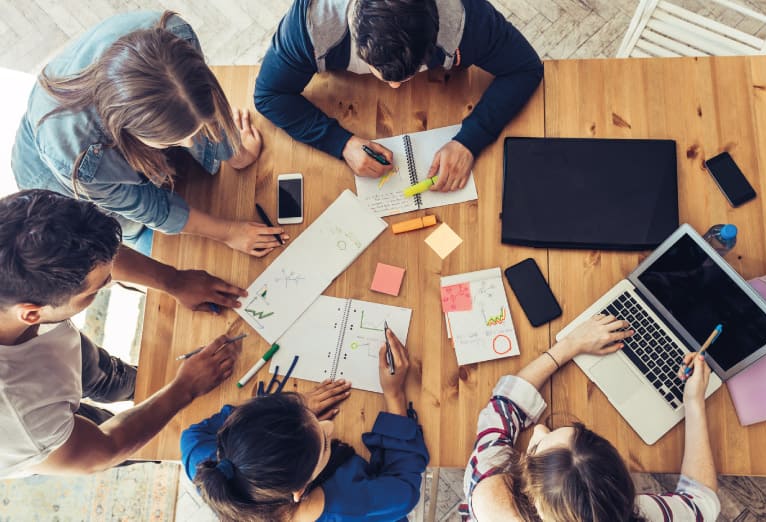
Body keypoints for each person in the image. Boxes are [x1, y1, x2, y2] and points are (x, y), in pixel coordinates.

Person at [0, 189, 245, 477]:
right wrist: (185, 387)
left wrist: (174, 280)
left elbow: (99, 258)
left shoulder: (15, 240)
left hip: (44, 356)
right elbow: (103, 450)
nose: (108, 282)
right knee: (141, 439)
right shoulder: (20, 415)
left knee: (108, 375)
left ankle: (136, 385)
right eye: (97, 289)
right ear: (32, 313)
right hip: (39, 429)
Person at [12, 11, 288, 258]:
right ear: (127, 131)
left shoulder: (175, 34)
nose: (191, 143)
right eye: (172, 141)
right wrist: (229, 232)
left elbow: (197, 104)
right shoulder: (83, 160)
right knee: (141, 237)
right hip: (54, 175)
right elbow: (153, 210)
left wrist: (234, 152)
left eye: (191, 133)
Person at [255, 0, 543, 193]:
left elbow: (525, 67)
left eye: (413, 71)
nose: (395, 88)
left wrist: (471, 140)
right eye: (380, 72)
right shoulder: (310, 25)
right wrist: (340, 142)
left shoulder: (468, 18)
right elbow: (268, 95)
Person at [462, 314, 721, 521]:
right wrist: (694, 402)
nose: (540, 427)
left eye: (538, 447)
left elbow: (505, 405)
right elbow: (701, 503)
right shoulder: (631, 512)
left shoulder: (488, 486)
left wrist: (570, 344)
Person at [182, 328, 428, 521]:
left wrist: (292, 409)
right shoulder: (351, 506)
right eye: (324, 445)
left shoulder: (208, 467)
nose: (328, 426)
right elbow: (404, 488)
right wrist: (395, 396)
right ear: (300, 490)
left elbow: (190, 437)